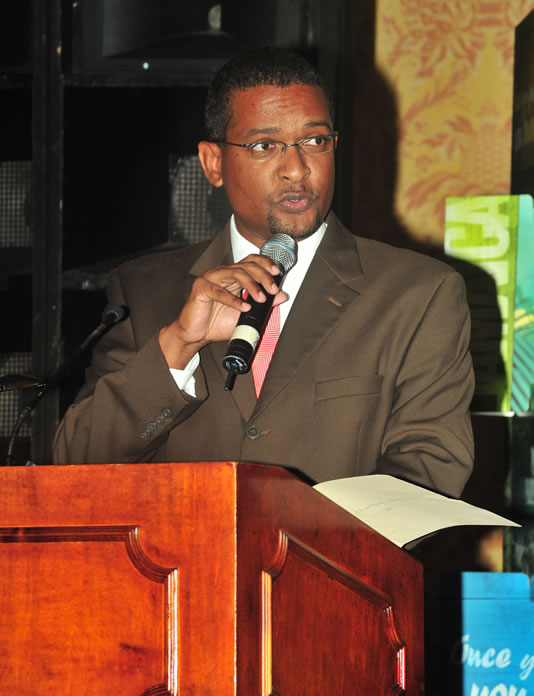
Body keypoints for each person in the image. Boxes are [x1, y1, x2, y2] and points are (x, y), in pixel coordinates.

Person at [52, 47, 474, 498]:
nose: (296, 169)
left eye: (315, 141)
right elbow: (75, 465)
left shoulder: (417, 294)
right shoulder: (143, 290)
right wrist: (178, 344)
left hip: (336, 548)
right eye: (264, 146)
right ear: (213, 163)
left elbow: (428, 476)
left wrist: (293, 535)